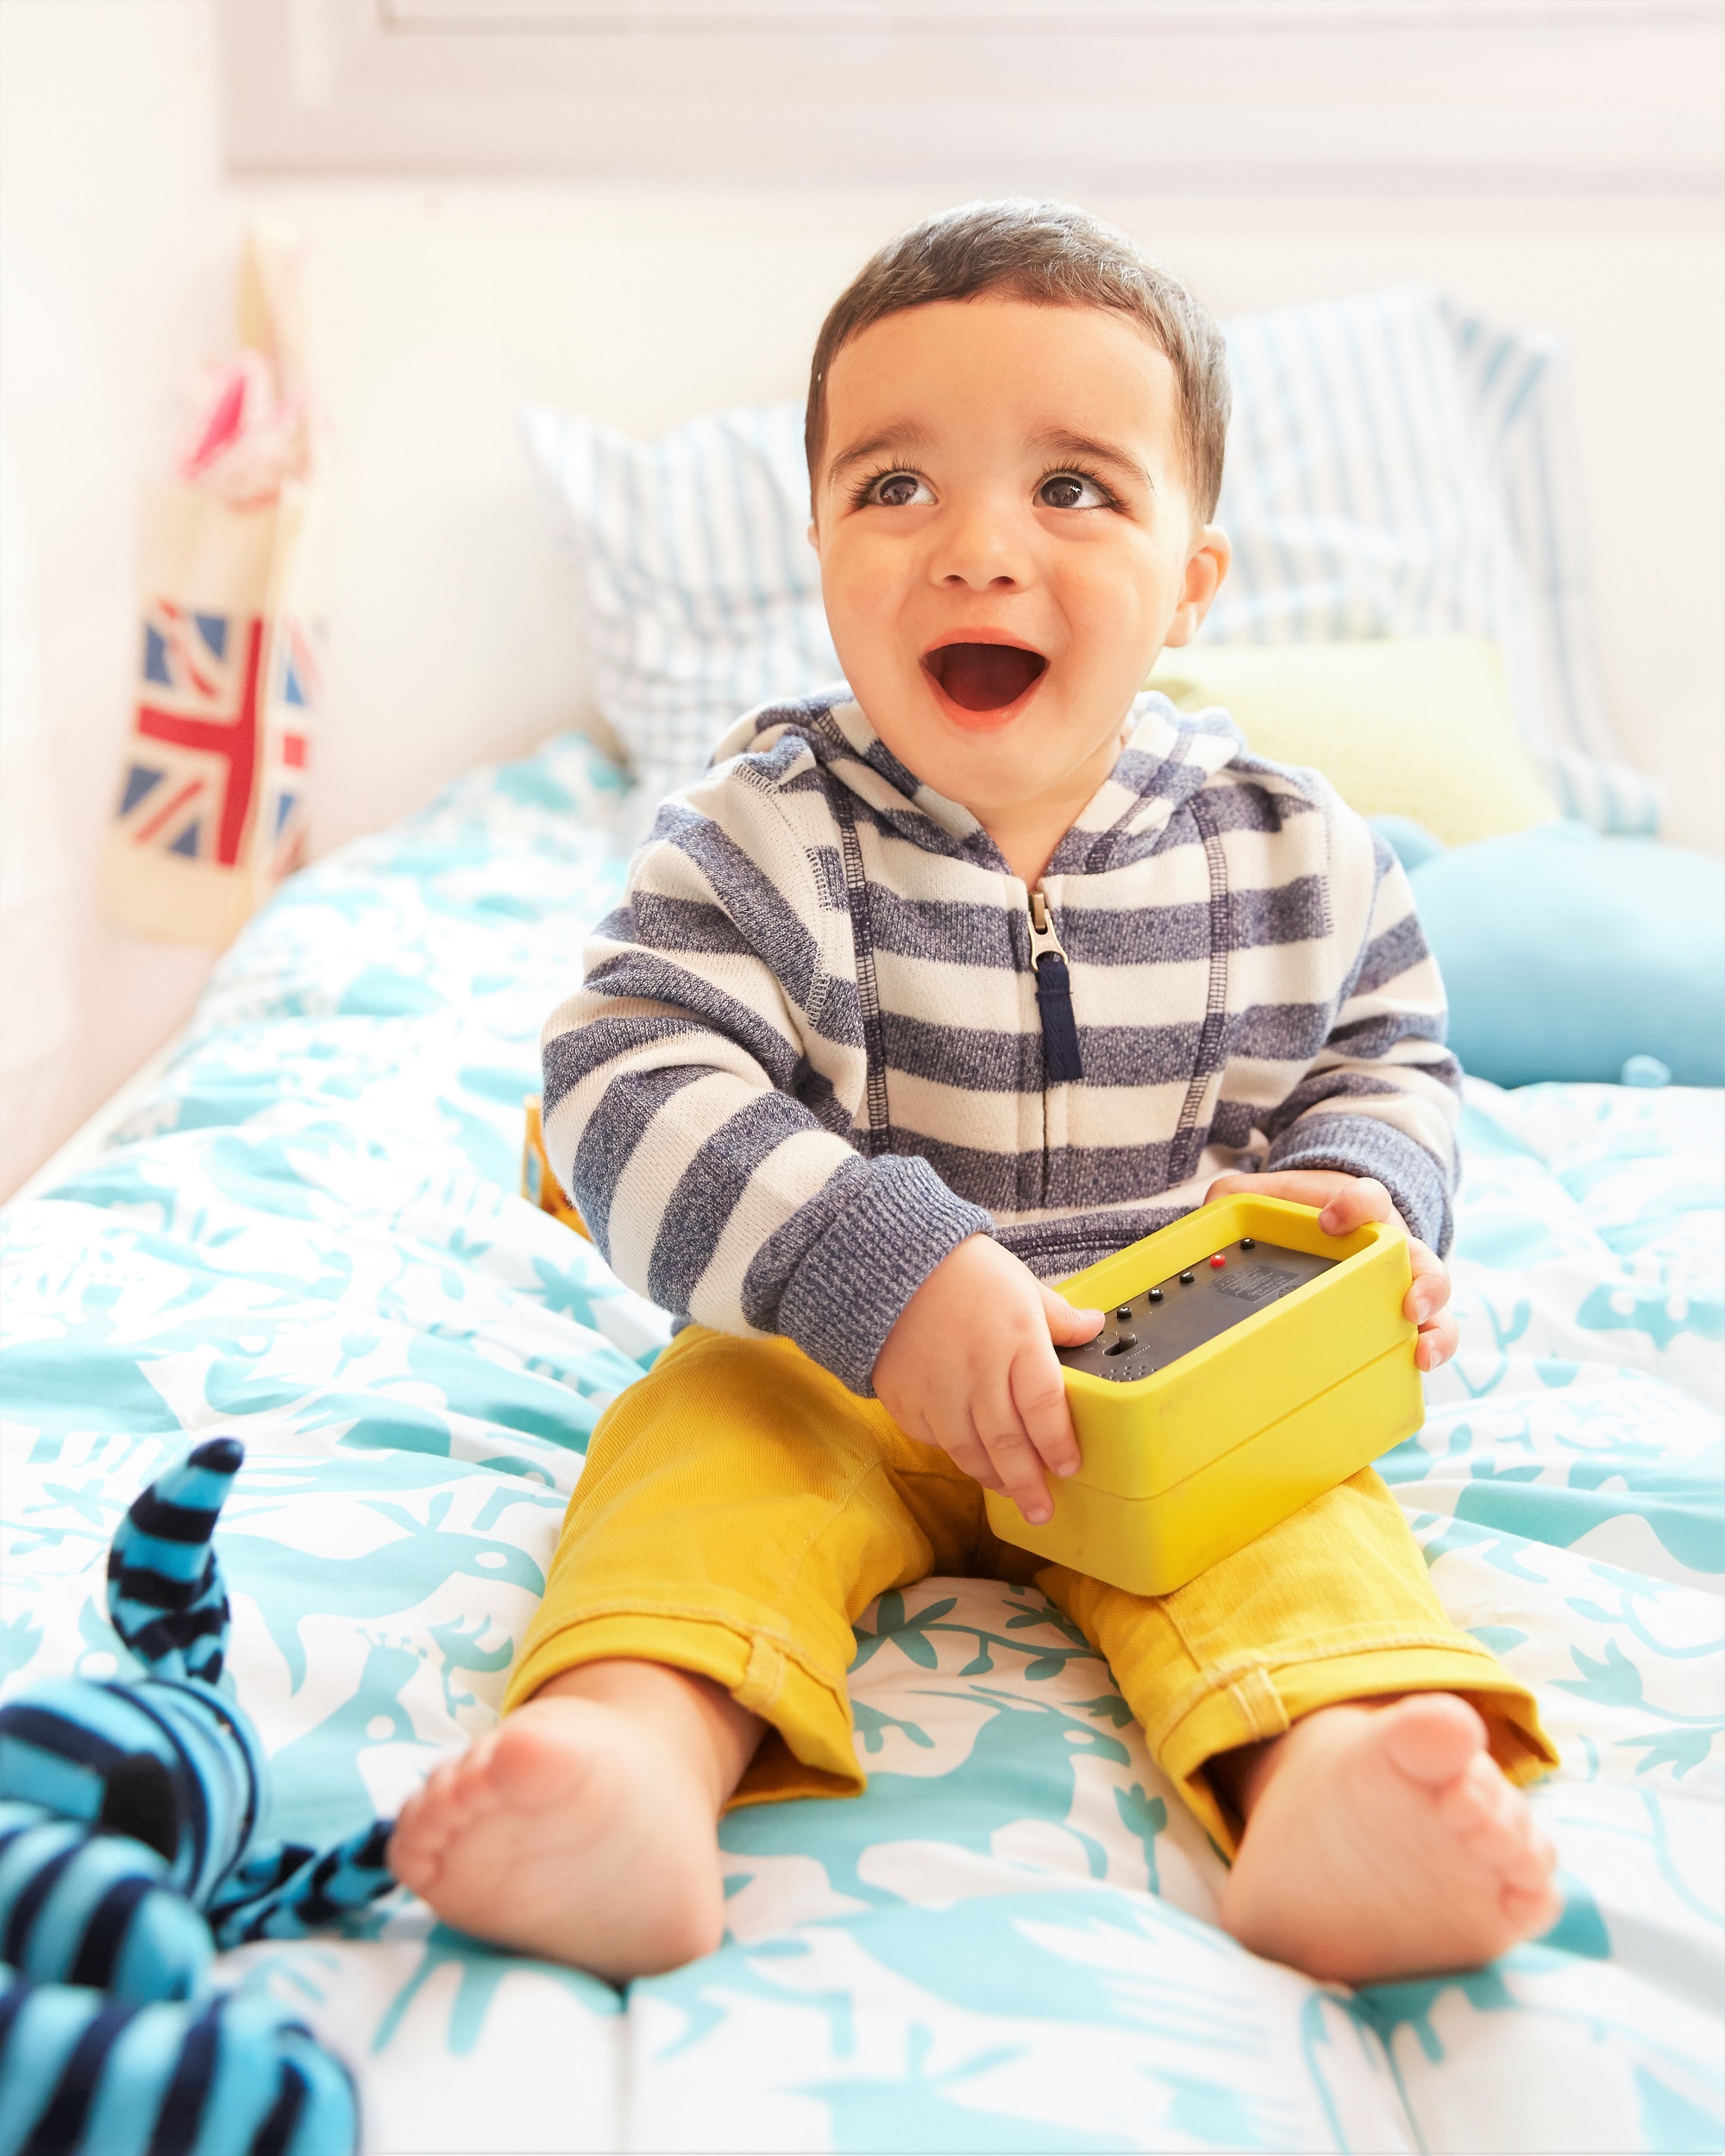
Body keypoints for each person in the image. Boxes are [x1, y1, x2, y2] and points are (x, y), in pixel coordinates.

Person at [390, 200, 1560, 1988]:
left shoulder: (1289, 845)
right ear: (818, 549)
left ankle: (1326, 1775)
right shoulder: (759, 837)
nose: (975, 549)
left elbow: (1380, 1052)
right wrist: (880, 1262)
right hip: (832, 1360)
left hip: (1174, 1377)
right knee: (695, 1457)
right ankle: (630, 1754)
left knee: (1308, 1527)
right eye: (894, 487)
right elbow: (618, 1078)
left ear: (1192, 577)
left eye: (1075, 488)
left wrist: (1364, 1191)